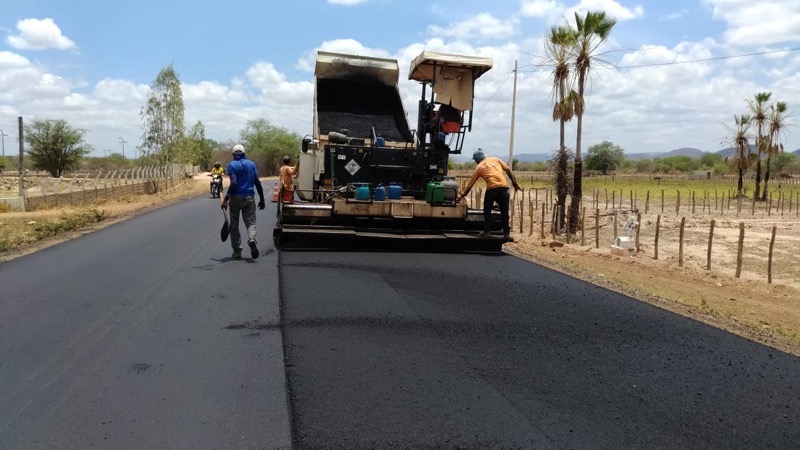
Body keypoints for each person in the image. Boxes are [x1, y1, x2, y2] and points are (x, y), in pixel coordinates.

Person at [458, 149, 521, 240]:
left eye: (475, 160)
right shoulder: (495, 159)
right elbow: (508, 170)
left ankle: (487, 232)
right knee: (504, 211)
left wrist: (462, 195)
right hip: (504, 188)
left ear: (477, 159)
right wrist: (515, 184)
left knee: (487, 210)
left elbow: (471, 183)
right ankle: (506, 233)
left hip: (492, 189)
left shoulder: (479, 167)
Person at [221, 144, 265, 259]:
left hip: (235, 198)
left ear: (233, 154)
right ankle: (251, 239)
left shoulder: (231, 165)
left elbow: (234, 183)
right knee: (250, 222)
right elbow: (257, 182)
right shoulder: (251, 164)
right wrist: (262, 198)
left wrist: (226, 199)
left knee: (234, 225)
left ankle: (237, 250)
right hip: (249, 197)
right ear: (244, 153)